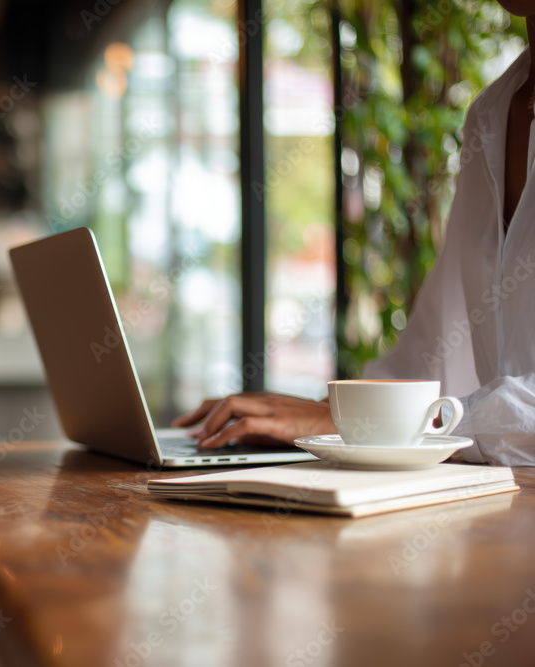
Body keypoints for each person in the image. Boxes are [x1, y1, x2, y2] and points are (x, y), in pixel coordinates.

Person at [174, 5, 535, 467]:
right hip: (498, 518)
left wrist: (362, 428)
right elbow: (434, 350)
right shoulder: (490, 114)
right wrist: (322, 415)